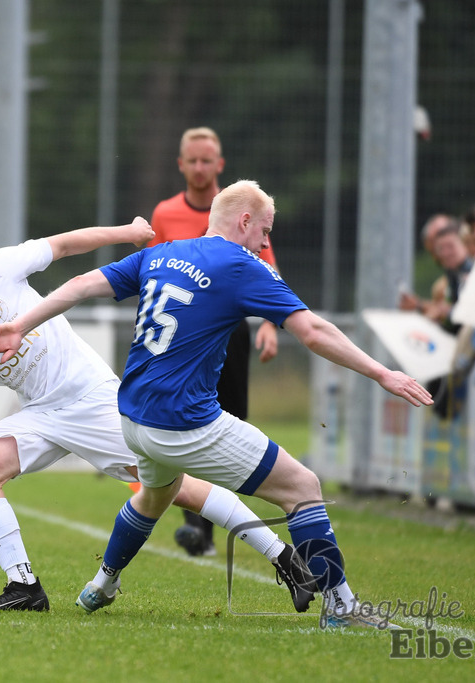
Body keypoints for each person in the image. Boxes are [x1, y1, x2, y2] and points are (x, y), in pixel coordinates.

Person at [0, 180, 433, 629]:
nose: (265, 243)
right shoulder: (240, 265)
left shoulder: (162, 253)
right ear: (245, 221)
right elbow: (312, 331)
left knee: (155, 497)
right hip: (182, 422)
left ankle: (103, 583)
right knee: (303, 486)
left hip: (131, 417)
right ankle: (343, 607)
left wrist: (20, 325)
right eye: (265, 232)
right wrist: (382, 372)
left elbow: (78, 285)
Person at [0, 218, 315, 613]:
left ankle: (283, 557)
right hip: (42, 414)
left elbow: (65, 245)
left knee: (174, 489)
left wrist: (130, 234)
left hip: (92, 400)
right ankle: (23, 586)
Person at [149, 126, 279, 557]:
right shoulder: (165, 213)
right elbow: (157, 273)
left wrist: (266, 324)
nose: (201, 167)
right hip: (186, 338)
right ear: (181, 164)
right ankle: (198, 529)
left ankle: (211, 524)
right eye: (194, 160)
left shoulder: (245, 211)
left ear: (219, 165)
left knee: (229, 424)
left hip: (231, 333)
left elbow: (266, 270)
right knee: (181, 421)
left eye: (208, 160)